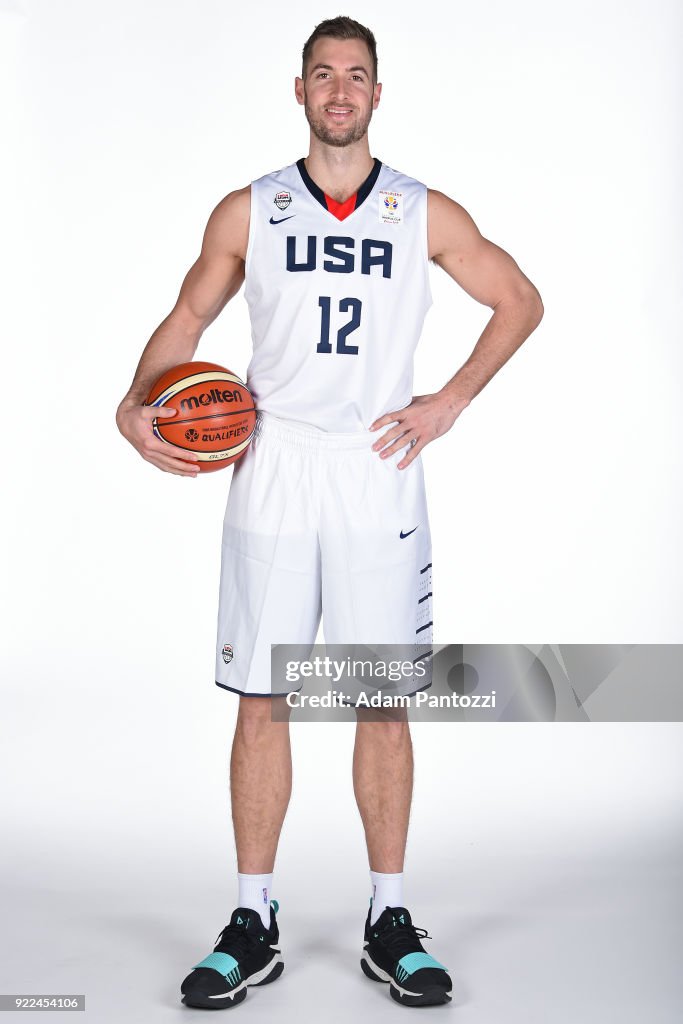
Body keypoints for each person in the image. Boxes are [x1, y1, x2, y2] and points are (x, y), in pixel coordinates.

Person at [116, 15, 543, 1011]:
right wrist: (132, 404)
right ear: (299, 91)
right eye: (323, 75)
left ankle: (387, 917)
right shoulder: (249, 209)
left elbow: (517, 298)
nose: (339, 90)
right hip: (271, 463)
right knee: (262, 701)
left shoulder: (419, 209)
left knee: (378, 702)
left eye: (356, 76)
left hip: (372, 469)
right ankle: (251, 919)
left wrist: (446, 402)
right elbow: (186, 320)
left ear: (377, 95)